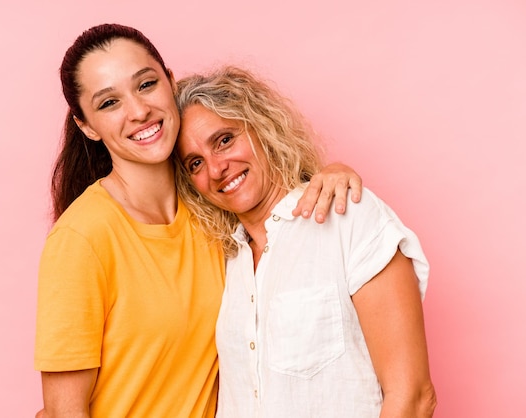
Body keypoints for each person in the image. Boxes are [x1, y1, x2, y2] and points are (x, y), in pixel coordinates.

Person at [34, 24, 363, 418]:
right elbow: (61, 413)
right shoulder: (82, 238)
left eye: (146, 84)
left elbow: (284, 212)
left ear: (170, 82)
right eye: (109, 103)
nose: (139, 111)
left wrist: (331, 174)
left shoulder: (214, 205)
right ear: (86, 125)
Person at [174, 66, 437, 417]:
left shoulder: (348, 217)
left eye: (224, 140)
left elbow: (414, 397)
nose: (216, 168)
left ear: (262, 127)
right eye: (195, 163)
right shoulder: (223, 262)